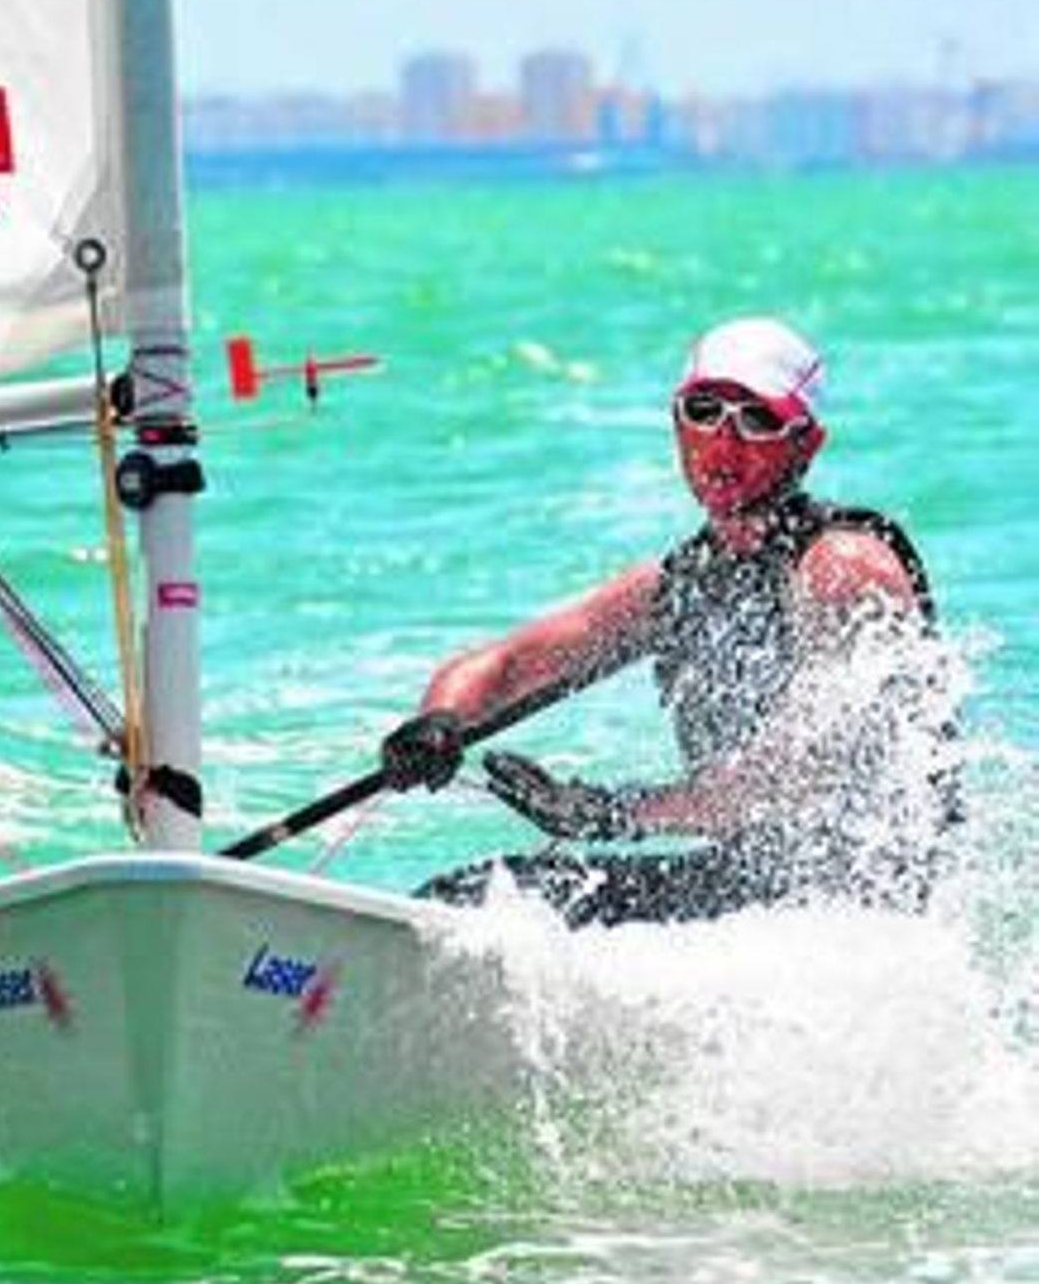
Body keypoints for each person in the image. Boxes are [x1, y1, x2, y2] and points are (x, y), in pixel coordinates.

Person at [380, 316, 958, 927]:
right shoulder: (678, 585)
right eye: (704, 410)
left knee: (497, 908)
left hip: (859, 908)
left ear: (806, 443)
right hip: (753, 888)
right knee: (477, 897)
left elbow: (794, 775)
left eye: (757, 420)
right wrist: (436, 723)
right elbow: (505, 665)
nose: (724, 442)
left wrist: (612, 812)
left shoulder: (842, 566)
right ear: (677, 423)